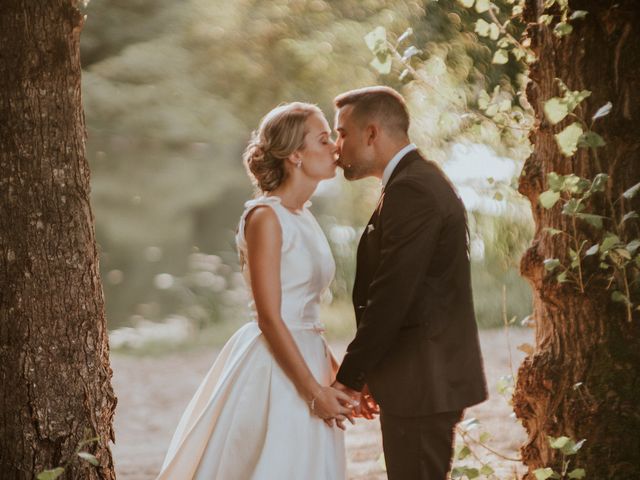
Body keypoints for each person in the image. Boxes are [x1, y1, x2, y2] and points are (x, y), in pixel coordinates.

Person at [155, 102, 356, 480]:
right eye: (324, 138)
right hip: (276, 365)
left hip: (308, 355)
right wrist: (313, 391)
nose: (336, 148)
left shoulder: (303, 216)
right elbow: (270, 316)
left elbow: (307, 318)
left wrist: (342, 381)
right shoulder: (266, 218)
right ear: (296, 155)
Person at [332, 86, 488, 480]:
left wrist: (350, 377)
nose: (337, 148)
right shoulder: (413, 180)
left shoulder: (412, 189)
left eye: (342, 133)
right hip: (419, 376)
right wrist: (372, 374)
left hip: (423, 380)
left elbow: (391, 294)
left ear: (371, 133)